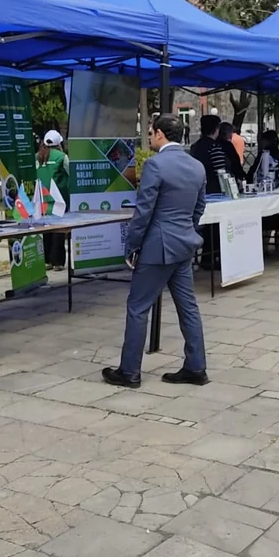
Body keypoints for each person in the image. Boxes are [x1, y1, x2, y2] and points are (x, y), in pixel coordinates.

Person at [103, 114, 209, 387]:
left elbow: (144, 211)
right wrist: (186, 230)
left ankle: (129, 371)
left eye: (150, 132)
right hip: (184, 245)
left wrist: (132, 245)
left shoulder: (155, 165)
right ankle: (196, 367)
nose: (148, 136)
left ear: (161, 134)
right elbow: (199, 207)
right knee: (188, 308)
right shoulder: (197, 166)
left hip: (158, 247)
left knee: (138, 307)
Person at [36, 130, 70, 270]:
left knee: (46, 230)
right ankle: (58, 262)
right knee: (59, 231)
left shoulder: (37, 157)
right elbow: (70, 173)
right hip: (59, 200)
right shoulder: (62, 157)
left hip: (42, 200)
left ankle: (47, 260)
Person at [190, 114, 230, 195]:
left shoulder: (195, 146)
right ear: (216, 129)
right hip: (214, 189)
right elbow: (221, 172)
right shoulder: (214, 147)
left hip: (199, 188)